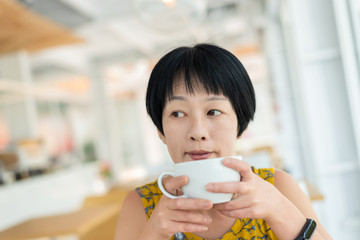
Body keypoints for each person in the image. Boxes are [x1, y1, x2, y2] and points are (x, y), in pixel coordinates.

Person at [115, 43, 332, 240]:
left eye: (214, 111)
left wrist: (280, 212)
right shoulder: (141, 205)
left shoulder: (278, 187)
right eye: (178, 114)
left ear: (241, 125)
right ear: (160, 131)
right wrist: (153, 234)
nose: (197, 132)